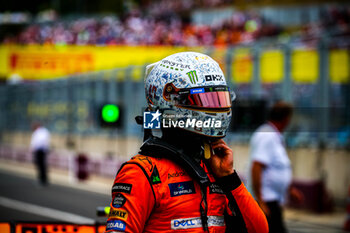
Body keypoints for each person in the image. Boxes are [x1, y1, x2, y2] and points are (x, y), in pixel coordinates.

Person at [105, 52, 268, 233]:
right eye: (205, 100)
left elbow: (259, 230)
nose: (216, 109)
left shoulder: (214, 170)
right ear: (169, 100)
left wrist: (229, 178)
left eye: (219, 99)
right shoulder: (141, 173)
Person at [249, 102, 303, 233]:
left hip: (273, 200)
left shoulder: (274, 135)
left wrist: (289, 189)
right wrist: (261, 201)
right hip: (267, 201)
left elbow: (276, 166)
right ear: (286, 119)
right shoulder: (267, 135)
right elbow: (256, 167)